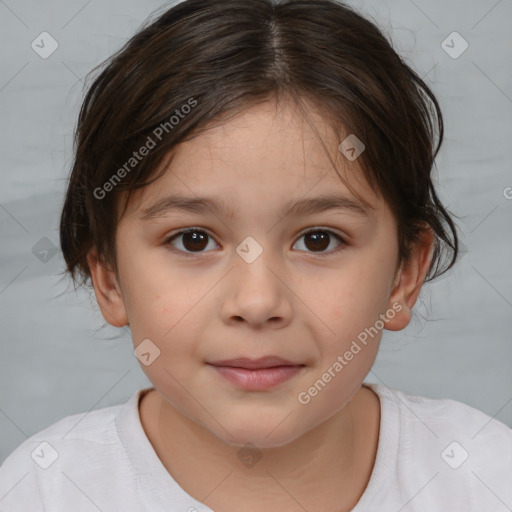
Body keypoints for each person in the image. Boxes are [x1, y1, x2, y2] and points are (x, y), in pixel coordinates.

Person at [1, 0, 510, 510]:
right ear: (109, 278)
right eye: (194, 240)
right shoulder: (46, 490)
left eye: (318, 239)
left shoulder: (483, 477)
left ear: (404, 276)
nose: (258, 301)